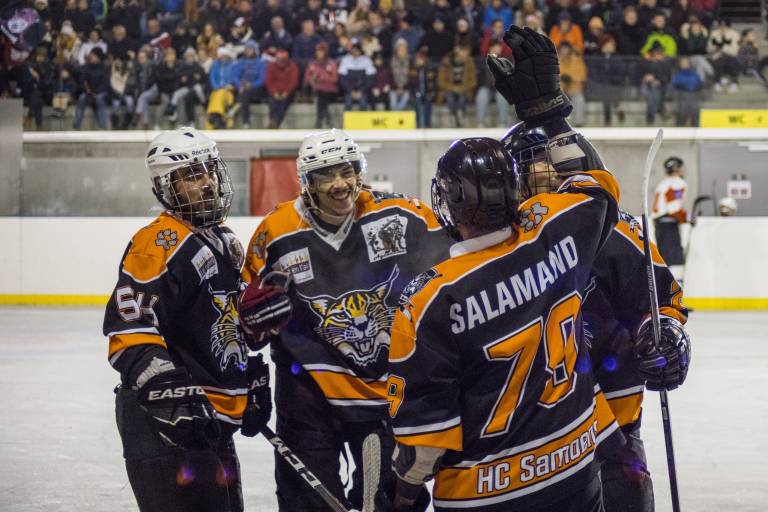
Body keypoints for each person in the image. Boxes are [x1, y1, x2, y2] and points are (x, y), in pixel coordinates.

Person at [380, 26, 627, 512]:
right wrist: (550, 114)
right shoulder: (559, 227)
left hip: (485, 493)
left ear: (449, 203)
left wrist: (402, 494)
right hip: (576, 470)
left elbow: (425, 444)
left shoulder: (431, 300)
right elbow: (595, 184)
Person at [241, 128, 452, 511]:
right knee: (305, 502)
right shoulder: (276, 231)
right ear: (307, 183)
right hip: (307, 390)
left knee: (390, 502)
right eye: (326, 175)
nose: (340, 184)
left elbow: (458, 269)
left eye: (347, 170)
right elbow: (246, 315)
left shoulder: (402, 215)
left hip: (383, 393)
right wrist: (251, 348)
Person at [504, 124, 691, 512]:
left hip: (613, 425)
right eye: (540, 160)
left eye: (557, 160)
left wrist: (664, 336)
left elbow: (662, 299)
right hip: (532, 438)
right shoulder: (502, 243)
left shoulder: (614, 228)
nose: (551, 170)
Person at [103, 127, 272, 512]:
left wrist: (247, 377)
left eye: (210, 169)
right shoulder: (158, 242)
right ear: (167, 185)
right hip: (164, 427)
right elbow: (128, 330)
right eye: (194, 174)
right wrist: (168, 392)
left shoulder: (224, 240)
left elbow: (221, 323)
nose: (209, 182)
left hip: (209, 424)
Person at [652, 156, 688, 269]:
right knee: (674, 262)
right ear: (677, 169)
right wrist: (687, 218)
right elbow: (674, 208)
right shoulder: (678, 183)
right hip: (669, 226)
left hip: (659, 225)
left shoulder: (662, 184)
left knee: (663, 260)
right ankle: (674, 285)